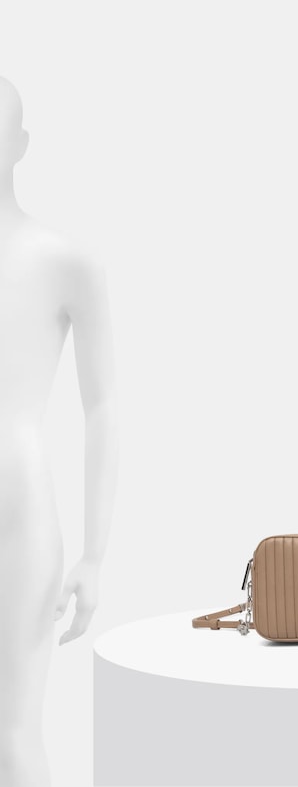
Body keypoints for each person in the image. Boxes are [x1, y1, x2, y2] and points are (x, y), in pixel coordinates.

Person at [0, 75, 119, 786]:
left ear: (20, 143)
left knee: (14, 734)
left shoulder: (65, 262)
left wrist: (95, 555)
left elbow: (103, 407)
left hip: (18, 511)